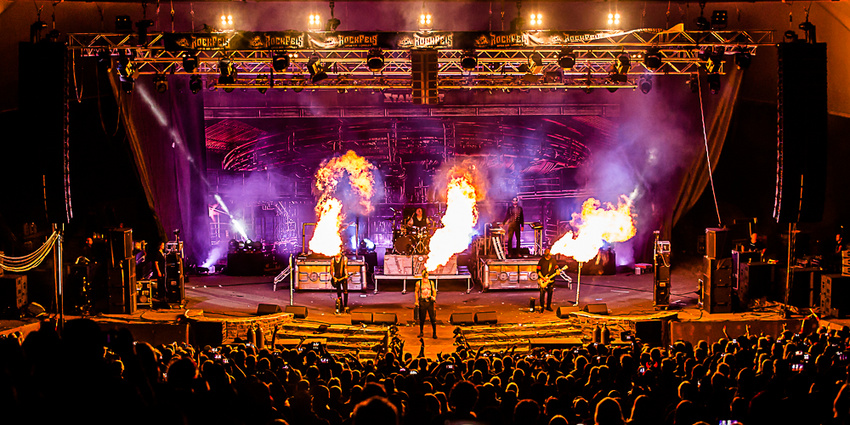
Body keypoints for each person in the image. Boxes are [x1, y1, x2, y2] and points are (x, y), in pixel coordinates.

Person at [415, 270, 437, 339]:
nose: (425, 279)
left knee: (432, 318)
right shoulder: (419, 283)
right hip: (422, 301)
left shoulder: (431, 282)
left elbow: (434, 290)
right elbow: (416, 292)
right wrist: (416, 301)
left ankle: (434, 333)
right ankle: (421, 332)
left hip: (430, 302)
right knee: (422, 318)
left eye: (426, 277)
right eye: (424, 277)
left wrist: (434, 297)